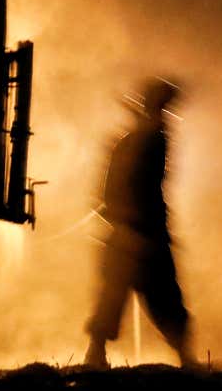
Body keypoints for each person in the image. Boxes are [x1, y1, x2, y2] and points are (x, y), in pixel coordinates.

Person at [83, 77, 199, 370]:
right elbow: (129, 188)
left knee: (119, 296)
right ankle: (185, 360)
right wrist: (135, 227)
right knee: (155, 297)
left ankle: (96, 356)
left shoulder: (141, 140)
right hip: (140, 233)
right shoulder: (148, 141)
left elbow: (112, 190)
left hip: (132, 232)